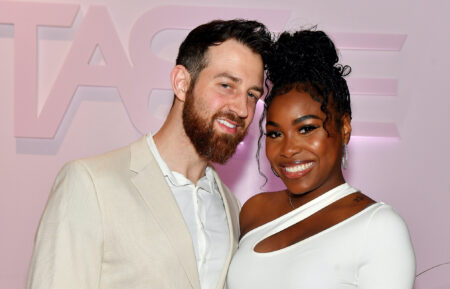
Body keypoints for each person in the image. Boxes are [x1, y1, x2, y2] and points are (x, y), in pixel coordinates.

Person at [26, 19, 272, 289]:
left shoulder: (230, 206)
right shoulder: (91, 184)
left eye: (251, 94)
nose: (242, 109)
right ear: (181, 83)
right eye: (226, 85)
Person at [227, 29, 416, 289]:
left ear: (345, 128)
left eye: (306, 129)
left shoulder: (379, 228)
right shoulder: (254, 211)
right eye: (275, 133)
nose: (288, 149)